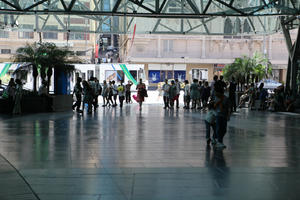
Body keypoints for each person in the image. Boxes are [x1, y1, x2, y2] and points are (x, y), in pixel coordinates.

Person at [214, 81, 230, 149]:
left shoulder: (225, 98)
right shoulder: (216, 98)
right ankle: (219, 141)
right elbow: (214, 106)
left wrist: (228, 115)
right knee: (218, 128)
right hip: (218, 115)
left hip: (224, 115)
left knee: (224, 129)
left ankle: (215, 138)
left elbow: (228, 108)